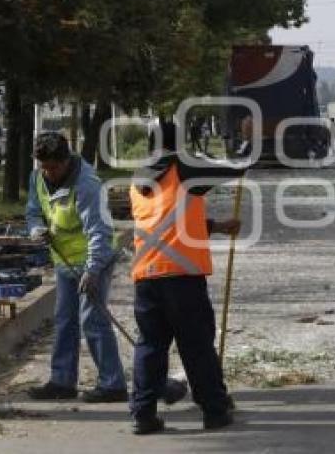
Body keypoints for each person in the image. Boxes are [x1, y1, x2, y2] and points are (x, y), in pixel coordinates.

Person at [127, 121, 242, 434]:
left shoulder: (138, 178)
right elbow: (232, 170)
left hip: (146, 275)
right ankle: (215, 410)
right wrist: (246, 151)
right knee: (197, 345)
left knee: (150, 346)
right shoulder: (183, 166)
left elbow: (169, 220)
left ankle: (143, 414)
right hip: (181, 277)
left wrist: (216, 226)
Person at [25, 132, 127, 403]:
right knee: (64, 321)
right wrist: (36, 229)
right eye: (44, 167)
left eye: (53, 168)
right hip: (63, 261)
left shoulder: (87, 185)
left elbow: (100, 232)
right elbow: (33, 211)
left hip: (94, 259)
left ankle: (113, 384)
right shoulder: (38, 178)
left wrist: (93, 271)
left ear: (66, 161)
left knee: (92, 320)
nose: (49, 173)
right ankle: (62, 381)